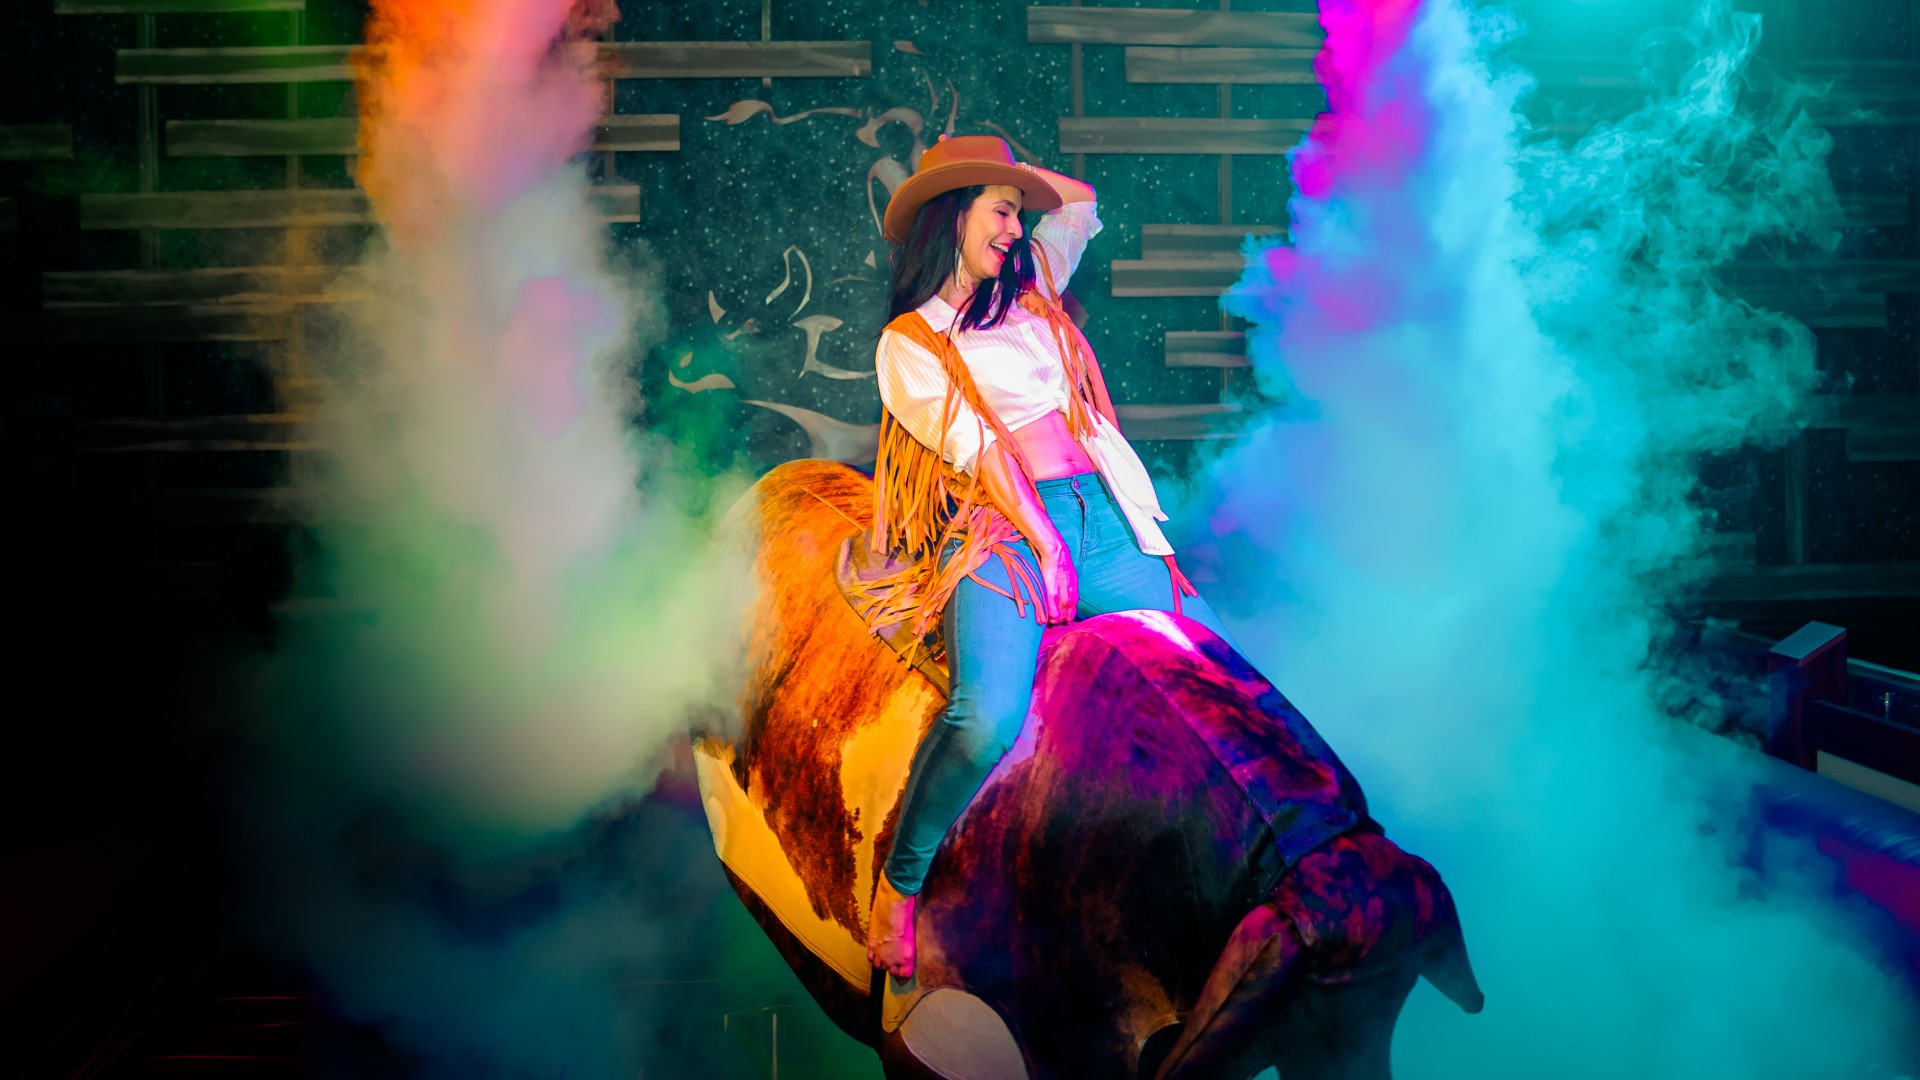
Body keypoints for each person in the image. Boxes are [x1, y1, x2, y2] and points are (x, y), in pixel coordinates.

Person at [863, 135, 1245, 979]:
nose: (1014, 226)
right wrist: (1047, 551)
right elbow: (983, 456)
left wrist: (1017, 172)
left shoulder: (1031, 290)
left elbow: (1079, 204)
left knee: (1224, 674)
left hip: (1106, 516)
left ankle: (1236, 882)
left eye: (1015, 212)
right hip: (1006, 529)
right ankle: (901, 883)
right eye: (999, 210)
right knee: (986, 716)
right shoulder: (911, 343)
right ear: (954, 213)